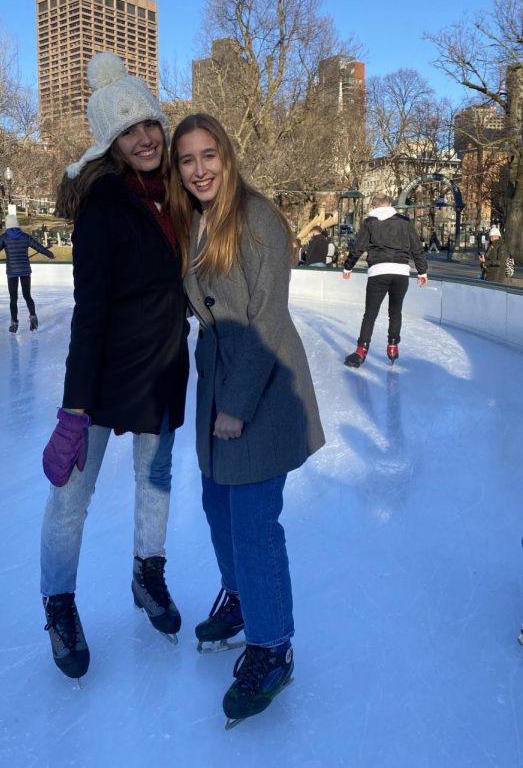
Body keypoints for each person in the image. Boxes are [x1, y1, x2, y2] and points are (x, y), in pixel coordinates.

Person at [168, 113, 325, 727]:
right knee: (216, 507)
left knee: (255, 523)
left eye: (208, 156)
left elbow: (266, 321)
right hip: (217, 384)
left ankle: (273, 645)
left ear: (227, 158)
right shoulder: (193, 222)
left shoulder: (256, 219)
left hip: (259, 392)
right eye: (187, 160)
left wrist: (233, 407)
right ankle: (240, 600)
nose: (199, 169)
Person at [40, 52, 190, 681]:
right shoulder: (105, 204)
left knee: (155, 484)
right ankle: (59, 603)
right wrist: (74, 409)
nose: (146, 138)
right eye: (129, 131)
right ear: (112, 142)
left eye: (150, 124)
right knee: (72, 495)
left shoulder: (178, 199)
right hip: (102, 378)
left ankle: (146, 575)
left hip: (161, 370)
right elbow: (91, 311)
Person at [342, 192, 428, 367]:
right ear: (390, 204)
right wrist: (422, 272)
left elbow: (358, 248)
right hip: (401, 273)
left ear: (374, 206)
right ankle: (393, 346)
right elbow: (416, 248)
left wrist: (348, 267)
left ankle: (361, 351)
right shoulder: (404, 222)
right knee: (395, 312)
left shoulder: (369, 223)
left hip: (379, 271)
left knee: (370, 313)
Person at [0, 215, 55, 332]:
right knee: (27, 295)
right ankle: (33, 316)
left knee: (13, 298)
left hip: (12, 271)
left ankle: (14, 323)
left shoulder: (4, 237)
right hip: (25, 270)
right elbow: (38, 247)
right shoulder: (25, 236)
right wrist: (49, 254)